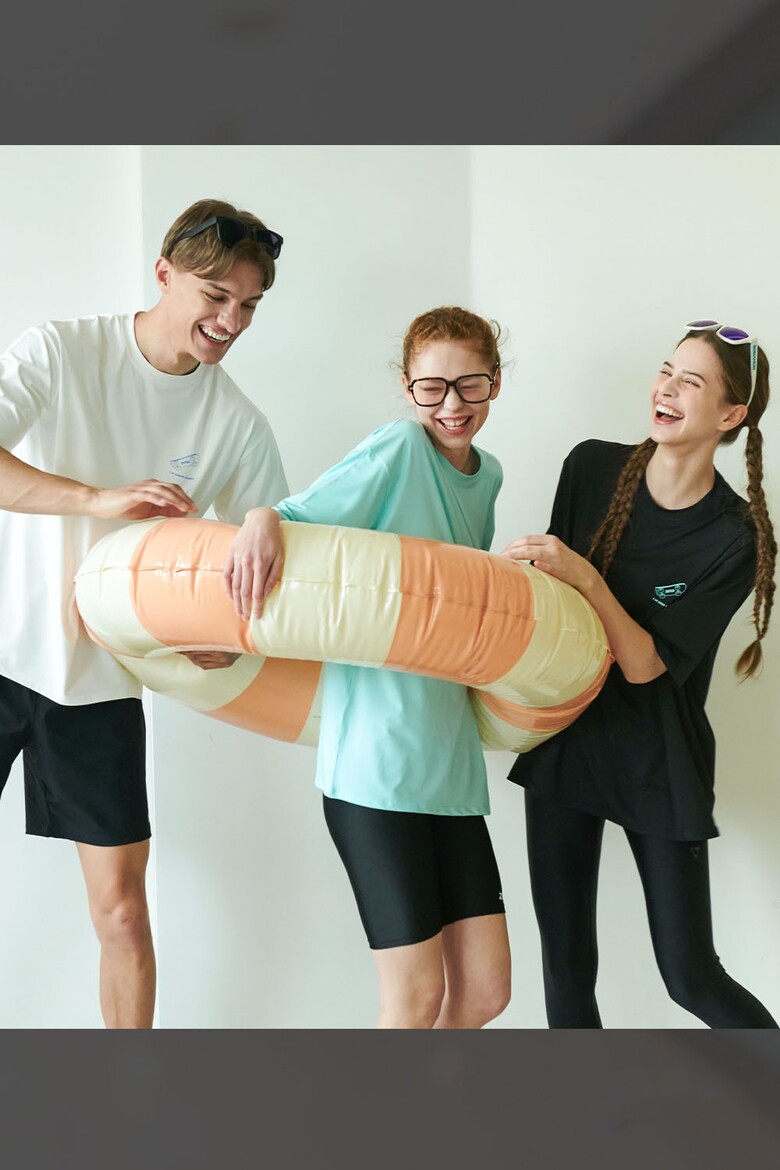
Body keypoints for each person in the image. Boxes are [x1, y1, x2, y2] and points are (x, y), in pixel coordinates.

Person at [0, 197, 289, 1028]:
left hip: (100, 685)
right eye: (215, 296)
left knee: (124, 915)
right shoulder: (62, 351)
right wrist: (98, 499)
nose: (230, 321)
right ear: (163, 273)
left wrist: (217, 638)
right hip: (4, 650)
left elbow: (265, 566)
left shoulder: (237, 423)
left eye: (248, 306)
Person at [226, 306, 511, 1028]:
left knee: (485, 993)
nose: (452, 405)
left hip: (450, 767)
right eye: (431, 387)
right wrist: (259, 516)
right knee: (414, 998)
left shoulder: (489, 476)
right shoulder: (400, 447)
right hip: (375, 767)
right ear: (408, 389)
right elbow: (297, 516)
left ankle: (419, 1100)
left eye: (470, 384)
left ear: (495, 382)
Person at [502, 319, 777, 1028]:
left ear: (730, 415)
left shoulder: (738, 536)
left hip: (658, 757)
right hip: (565, 737)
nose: (667, 388)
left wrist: (587, 578)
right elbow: (548, 603)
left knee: (690, 977)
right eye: (667, 371)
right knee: (565, 965)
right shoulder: (590, 468)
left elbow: (648, 664)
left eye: (692, 381)